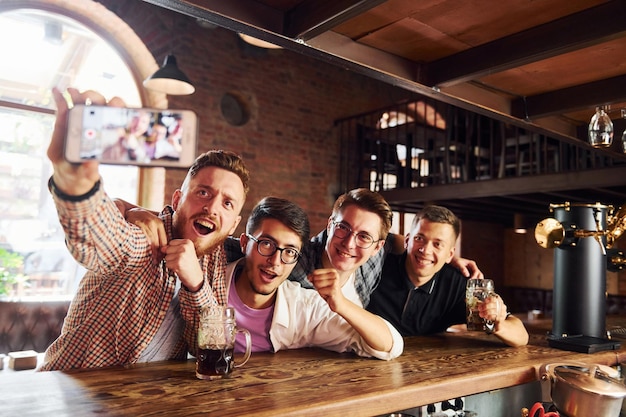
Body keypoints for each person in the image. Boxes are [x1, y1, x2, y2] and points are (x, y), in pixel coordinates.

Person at [40, 87, 250, 371]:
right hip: (72, 395)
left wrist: (196, 283)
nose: (212, 208)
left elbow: (206, 346)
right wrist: (76, 184)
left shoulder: (214, 262)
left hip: (146, 402)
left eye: (227, 203)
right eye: (203, 192)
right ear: (177, 199)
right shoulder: (145, 234)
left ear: (234, 224)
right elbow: (102, 238)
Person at [121, 188, 483, 308]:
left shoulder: (376, 257)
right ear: (330, 226)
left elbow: (406, 245)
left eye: (363, 237)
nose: (349, 243)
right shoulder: (287, 258)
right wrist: (137, 211)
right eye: (343, 229)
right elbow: (213, 238)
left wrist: (444, 257)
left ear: (376, 246)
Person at [223, 196, 403, 360]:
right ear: (245, 243)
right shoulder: (208, 279)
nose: (275, 261)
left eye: (290, 251)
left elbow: (391, 345)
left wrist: (341, 304)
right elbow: (213, 245)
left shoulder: (306, 306)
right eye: (266, 244)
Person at [366, 205, 529, 347]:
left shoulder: (458, 284)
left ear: (450, 254)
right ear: (407, 240)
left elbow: (521, 337)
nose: (426, 250)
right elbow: (377, 238)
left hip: (428, 370)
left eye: (437, 244)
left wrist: (497, 323)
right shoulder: (377, 265)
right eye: (419, 239)